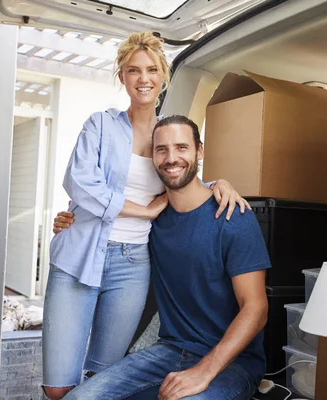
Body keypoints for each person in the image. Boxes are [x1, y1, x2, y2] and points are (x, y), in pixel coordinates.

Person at [43, 32, 250, 400]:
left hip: (132, 261)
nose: (143, 78)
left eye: (152, 69)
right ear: (121, 76)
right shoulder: (101, 125)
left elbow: (182, 176)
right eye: (133, 70)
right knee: (58, 387)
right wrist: (146, 210)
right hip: (80, 251)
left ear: (163, 77)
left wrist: (220, 182)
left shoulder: (166, 136)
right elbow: (79, 183)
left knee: (103, 377)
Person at [57, 115, 271, 400]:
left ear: (199, 151)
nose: (171, 158)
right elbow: (104, 221)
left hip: (232, 363)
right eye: (162, 150)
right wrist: (68, 221)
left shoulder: (233, 216)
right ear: (153, 158)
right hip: (169, 351)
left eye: (182, 147)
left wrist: (205, 370)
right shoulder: (151, 219)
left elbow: (256, 308)